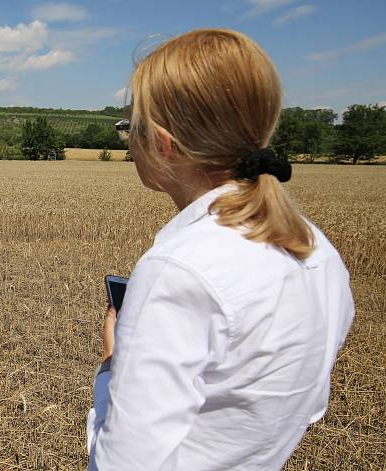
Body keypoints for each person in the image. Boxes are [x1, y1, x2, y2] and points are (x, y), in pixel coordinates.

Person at [86, 29, 354, 470]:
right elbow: (309, 407)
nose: (129, 143)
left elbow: (122, 464)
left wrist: (110, 367)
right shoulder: (317, 250)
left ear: (162, 143)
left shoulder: (179, 269)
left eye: (129, 127)